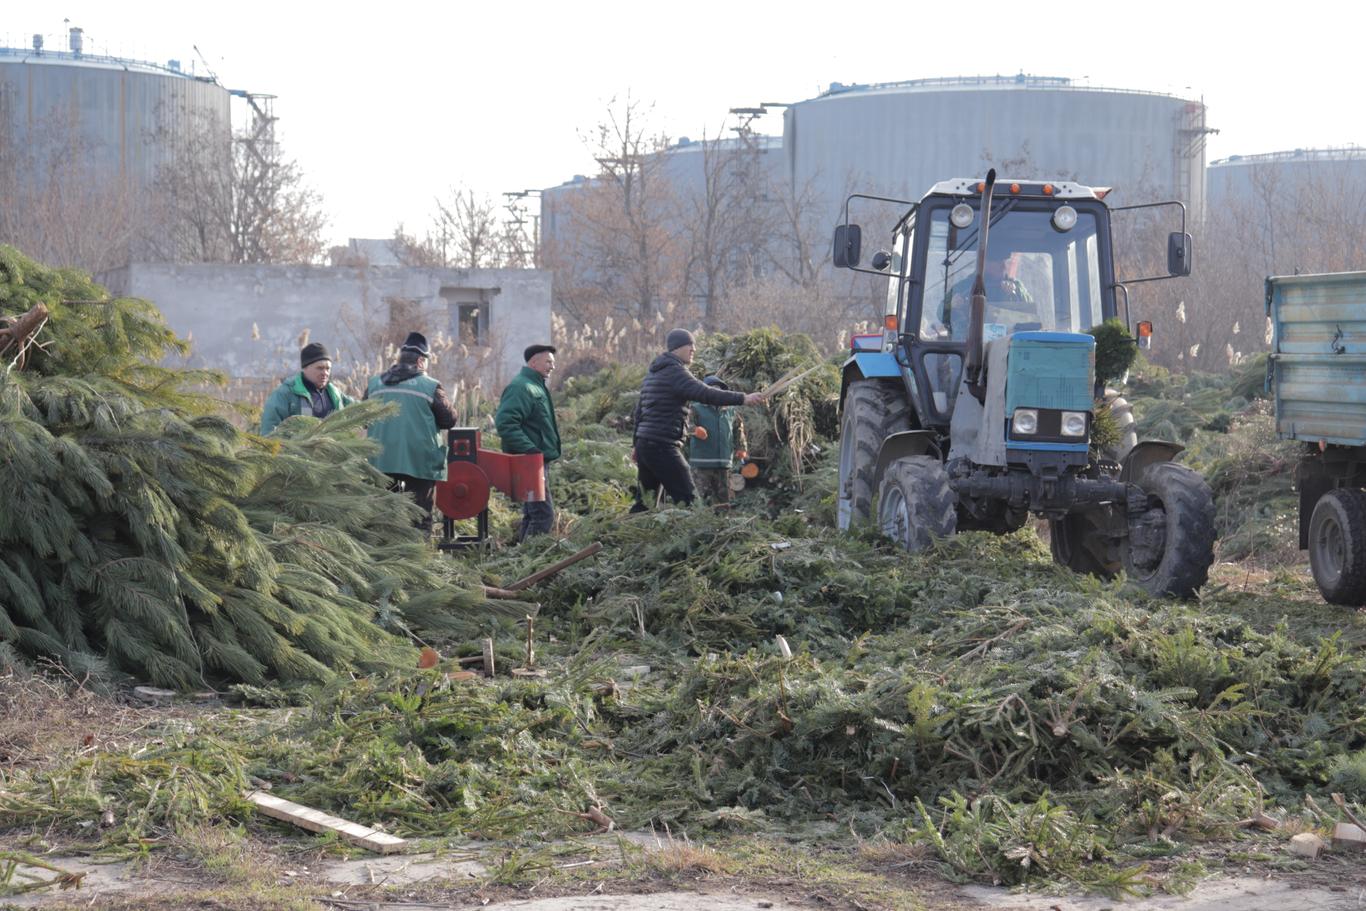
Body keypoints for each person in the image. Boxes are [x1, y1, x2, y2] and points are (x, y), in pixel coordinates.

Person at [631, 329, 764, 507]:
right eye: (690, 345)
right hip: (662, 446)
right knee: (690, 500)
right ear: (677, 347)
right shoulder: (675, 372)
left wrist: (636, 445)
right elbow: (705, 393)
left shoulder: (654, 374)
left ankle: (629, 525)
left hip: (645, 444)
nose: (693, 349)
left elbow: (640, 412)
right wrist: (743, 398)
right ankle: (695, 525)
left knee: (645, 503)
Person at [364, 332, 457, 533]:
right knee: (419, 517)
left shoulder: (374, 384)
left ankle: (386, 550)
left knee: (384, 516)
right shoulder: (430, 386)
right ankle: (419, 550)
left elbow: (363, 419)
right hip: (419, 461)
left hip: (381, 461)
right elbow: (449, 420)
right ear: (421, 361)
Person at [494, 344, 562, 541]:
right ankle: (532, 555)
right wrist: (530, 450)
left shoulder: (535, 386)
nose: (552, 366)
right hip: (529, 462)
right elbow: (505, 423)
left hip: (536, 460)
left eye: (553, 362)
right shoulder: (522, 387)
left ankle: (521, 554)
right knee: (543, 516)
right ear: (534, 362)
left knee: (532, 514)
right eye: (548, 362)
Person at [259, 342, 354, 434]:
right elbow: (269, 432)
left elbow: (358, 408)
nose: (325, 373)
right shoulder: (284, 394)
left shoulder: (335, 393)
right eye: (320, 368)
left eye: (328, 368)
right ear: (305, 368)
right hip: (298, 445)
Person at [938, 253, 1035, 339]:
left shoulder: (1016, 286)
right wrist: (952, 305)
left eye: (1005, 262)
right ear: (984, 264)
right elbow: (940, 313)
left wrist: (1015, 292)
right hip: (966, 345)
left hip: (1007, 344)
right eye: (998, 263)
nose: (1004, 267)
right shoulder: (964, 286)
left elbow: (1031, 312)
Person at [688, 376, 748, 506]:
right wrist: (695, 430)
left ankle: (723, 518)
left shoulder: (730, 410)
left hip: (724, 462)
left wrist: (741, 447)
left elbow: (738, 429)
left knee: (723, 500)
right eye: (712, 390)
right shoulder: (696, 408)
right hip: (702, 463)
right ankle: (699, 517)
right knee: (700, 500)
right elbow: (684, 425)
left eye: (719, 390)